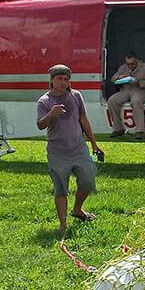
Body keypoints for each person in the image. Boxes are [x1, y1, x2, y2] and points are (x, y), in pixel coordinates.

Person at [37, 64, 103, 231]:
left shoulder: (76, 95)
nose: (63, 82)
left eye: (66, 79)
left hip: (78, 147)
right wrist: (51, 114)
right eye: (59, 79)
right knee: (61, 188)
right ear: (52, 80)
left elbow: (83, 119)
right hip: (57, 151)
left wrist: (94, 143)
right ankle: (63, 224)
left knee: (88, 181)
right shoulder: (44, 101)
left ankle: (77, 209)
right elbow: (40, 125)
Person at [107, 52, 145, 138]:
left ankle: (139, 131)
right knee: (112, 100)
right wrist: (118, 77)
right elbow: (112, 80)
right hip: (126, 90)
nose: (130, 66)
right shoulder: (123, 67)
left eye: (132, 64)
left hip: (140, 90)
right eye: (128, 64)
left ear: (137, 60)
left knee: (136, 101)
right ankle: (118, 129)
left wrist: (139, 83)